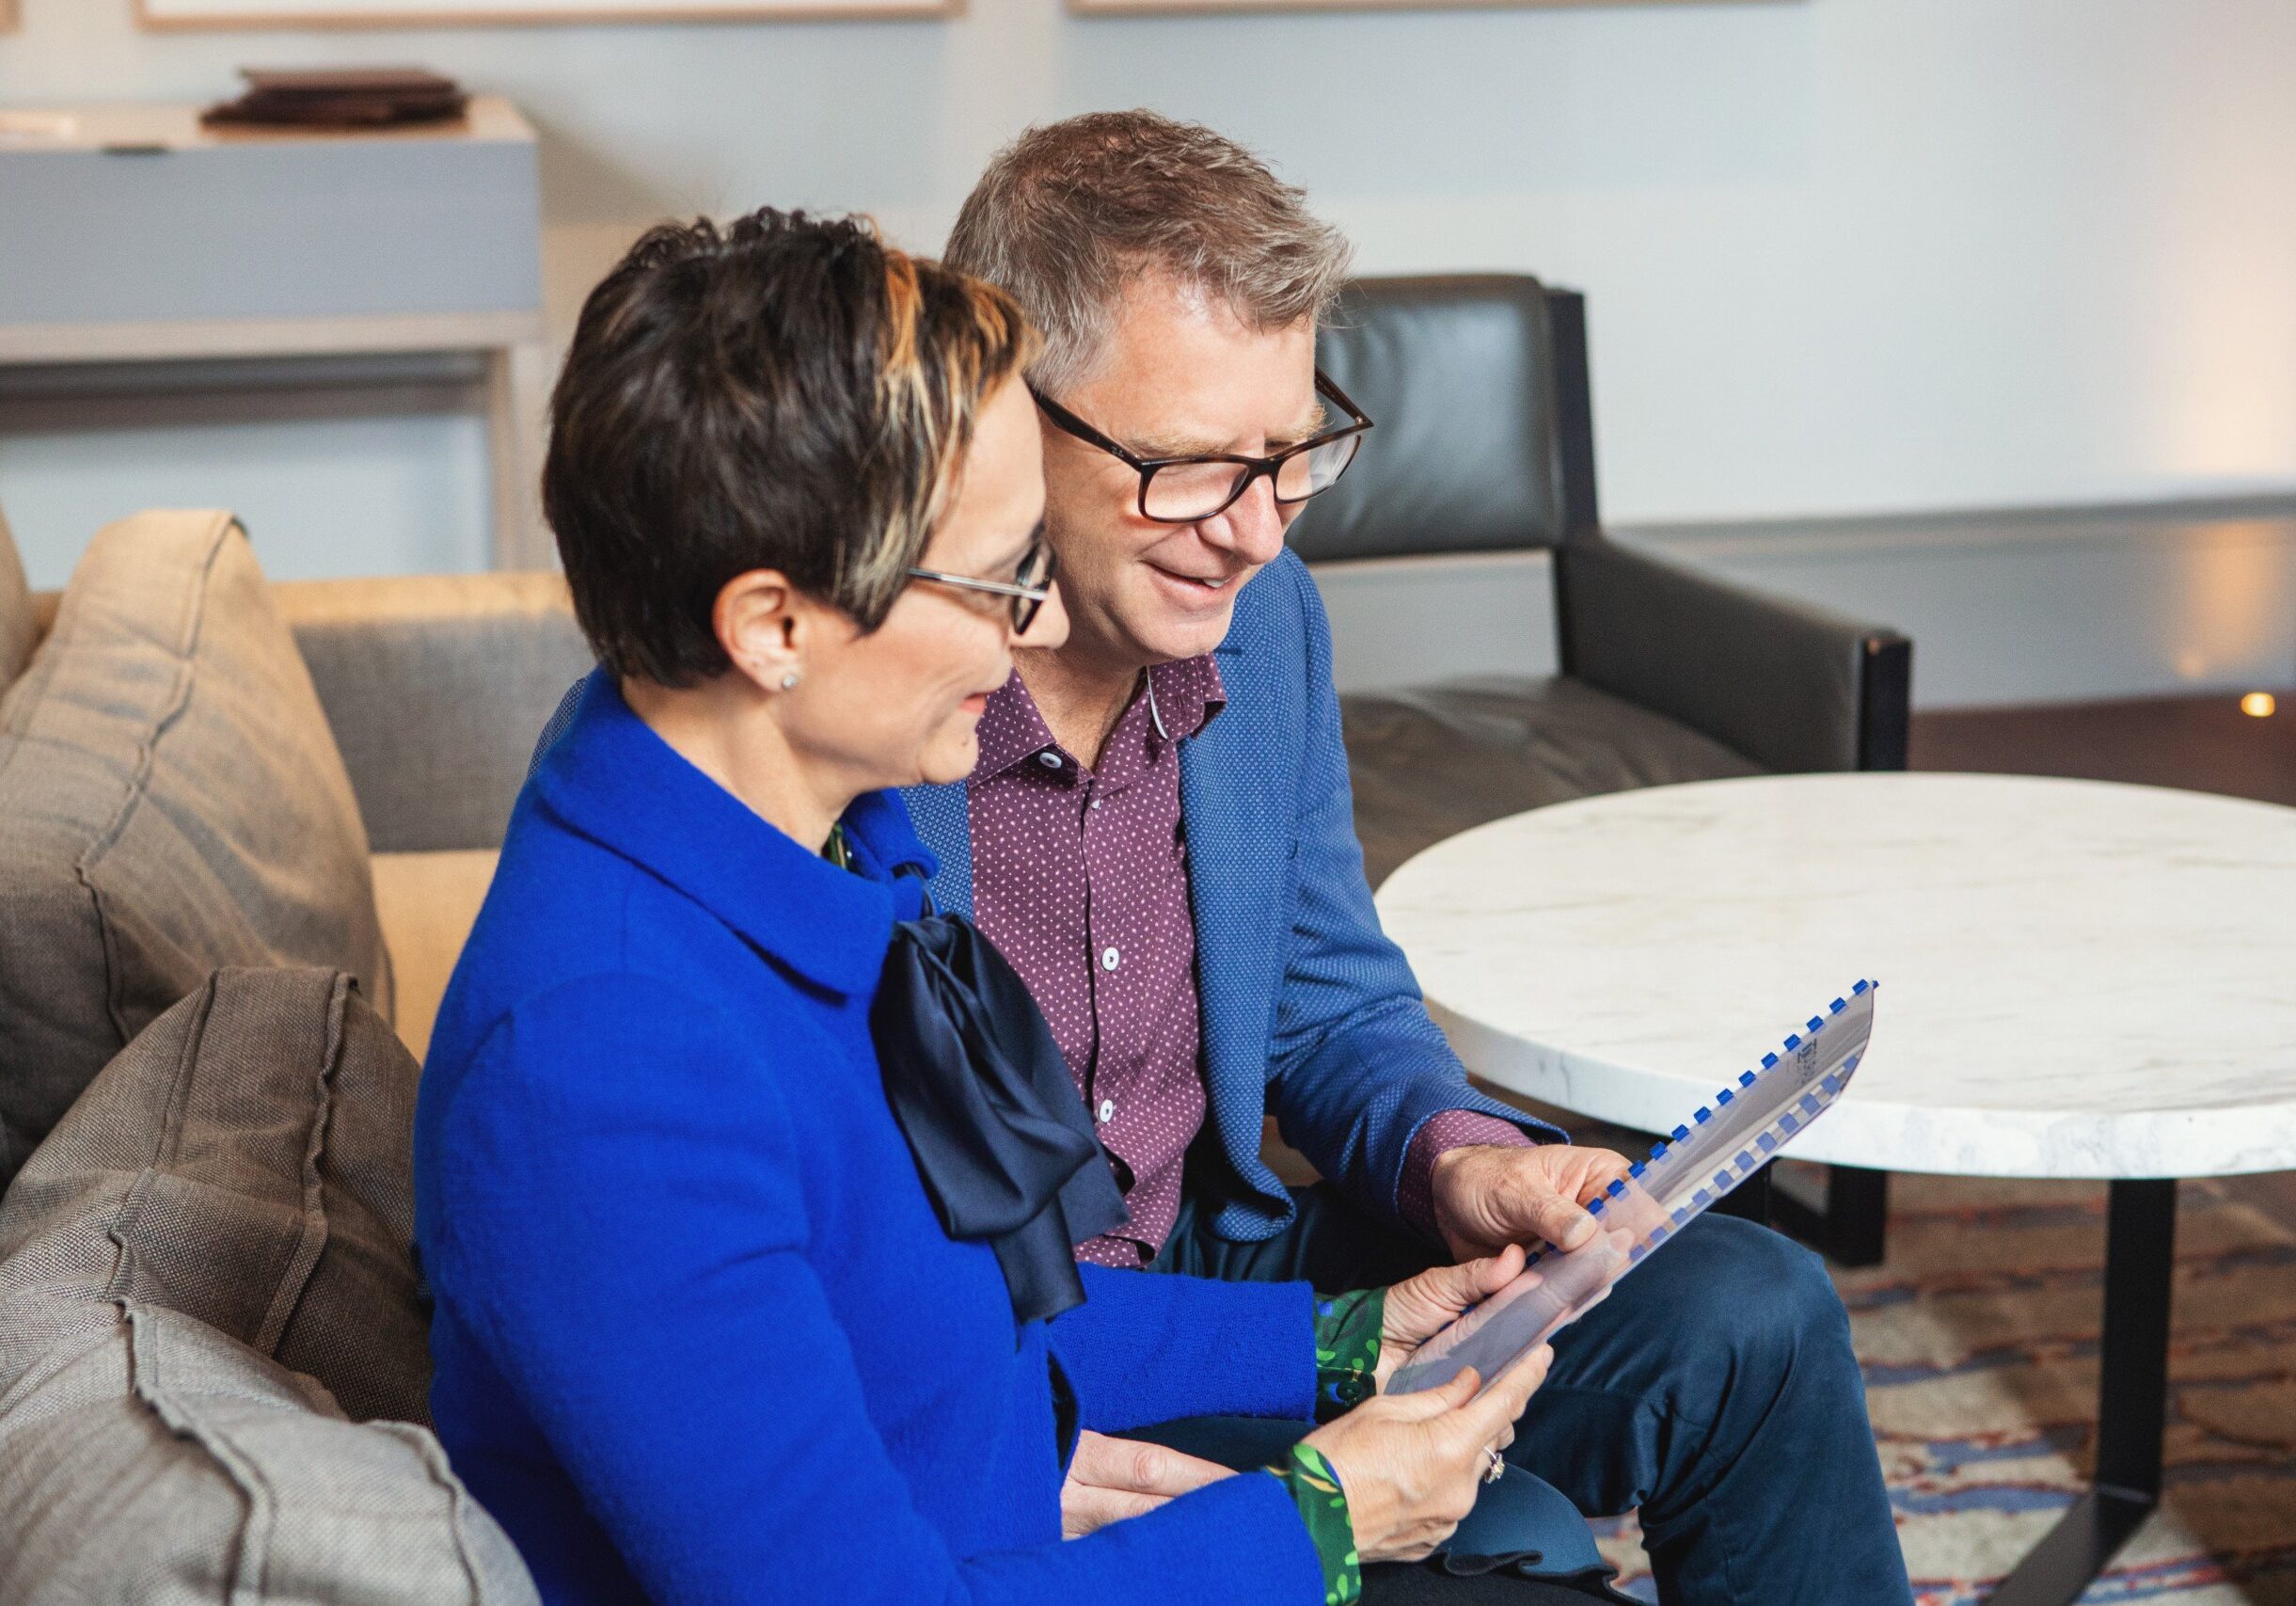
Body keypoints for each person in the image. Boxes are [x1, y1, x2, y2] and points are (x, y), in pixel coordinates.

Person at [414, 208, 1578, 1606]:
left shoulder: (822, 845)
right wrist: (1319, 1523)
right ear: (771, 625)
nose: (1036, 626)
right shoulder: (607, 1061)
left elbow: (953, 1310)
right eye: (992, 576)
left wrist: (1328, 1346)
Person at [894, 112, 1916, 1605]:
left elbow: (1328, 1004)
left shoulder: (1267, 617)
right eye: (1188, 467)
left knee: (1752, 1310)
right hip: (983, 1342)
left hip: (1219, 1262)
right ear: (1003, 413)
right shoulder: (875, 704)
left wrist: (1463, 1161)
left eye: (1291, 453)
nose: (1251, 531)